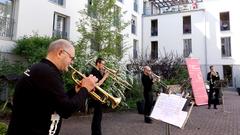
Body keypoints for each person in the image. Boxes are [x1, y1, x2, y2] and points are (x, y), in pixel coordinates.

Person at [7, 39, 98, 135]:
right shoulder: (48, 73)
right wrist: (85, 89)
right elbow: (66, 110)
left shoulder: (39, 68)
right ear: (60, 53)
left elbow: (57, 102)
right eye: (71, 58)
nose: (72, 62)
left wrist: (75, 91)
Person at [89, 58, 109, 135]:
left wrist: (104, 75)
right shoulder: (94, 71)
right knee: (97, 116)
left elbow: (101, 83)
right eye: (103, 64)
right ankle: (96, 133)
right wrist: (104, 77)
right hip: (96, 95)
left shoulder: (97, 71)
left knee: (98, 115)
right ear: (98, 63)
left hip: (99, 95)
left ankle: (97, 132)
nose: (104, 66)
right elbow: (96, 85)